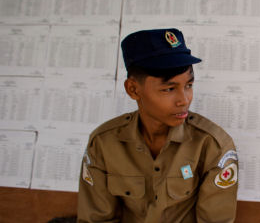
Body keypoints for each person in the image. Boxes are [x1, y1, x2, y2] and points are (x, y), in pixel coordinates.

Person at [77, 28, 238, 223]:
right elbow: (95, 219)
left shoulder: (212, 145)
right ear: (133, 89)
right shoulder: (103, 144)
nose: (184, 100)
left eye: (189, 85)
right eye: (169, 89)